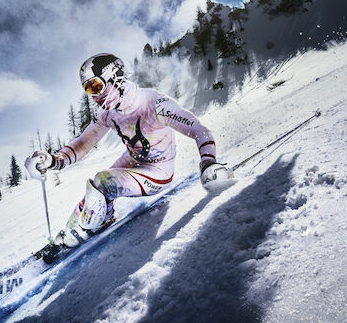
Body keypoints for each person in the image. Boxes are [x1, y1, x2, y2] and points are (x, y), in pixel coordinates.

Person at [28, 53, 232, 248]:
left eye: (96, 86)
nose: (94, 97)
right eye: (88, 90)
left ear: (114, 78)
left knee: (103, 182)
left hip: (158, 171)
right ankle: (70, 232)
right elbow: (83, 142)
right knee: (94, 193)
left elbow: (198, 129)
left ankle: (94, 226)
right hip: (133, 160)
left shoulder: (153, 103)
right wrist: (54, 161)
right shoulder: (107, 113)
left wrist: (208, 162)